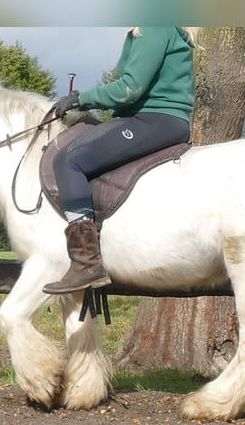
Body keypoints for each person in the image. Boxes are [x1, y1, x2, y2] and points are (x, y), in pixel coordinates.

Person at [42, 26, 200, 295]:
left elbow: (129, 88)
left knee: (68, 161)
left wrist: (82, 98)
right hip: (153, 119)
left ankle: (85, 264)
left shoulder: (154, 25)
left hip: (153, 119)